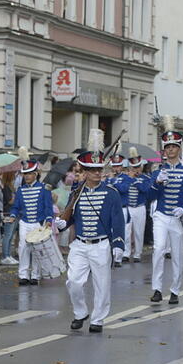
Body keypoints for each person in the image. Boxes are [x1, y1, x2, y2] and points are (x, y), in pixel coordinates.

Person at [54, 140, 125, 333]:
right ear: (85, 171)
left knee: (102, 285)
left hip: (101, 244)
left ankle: (98, 319)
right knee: (73, 281)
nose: (97, 173)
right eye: (92, 170)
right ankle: (80, 312)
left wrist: (118, 243)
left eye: (99, 169)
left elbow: (118, 220)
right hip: (79, 244)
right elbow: (70, 215)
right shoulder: (76, 192)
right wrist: (62, 224)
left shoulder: (111, 194)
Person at [148, 117, 183, 305]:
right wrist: (157, 183)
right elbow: (149, 196)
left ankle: (175, 289)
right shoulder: (157, 171)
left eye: (173, 146)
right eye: (167, 147)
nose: (170, 150)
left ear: (179, 148)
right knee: (159, 249)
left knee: (177, 254)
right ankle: (157, 289)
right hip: (161, 215)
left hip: (178, 217)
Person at [7, 148, 53, 286]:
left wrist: (49, 220)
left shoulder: (44, 188)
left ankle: (35, 275)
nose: (26, 176)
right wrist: (13, 215)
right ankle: (23, 275)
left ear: (36, 174)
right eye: (25, 174)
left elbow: (48, 207)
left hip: (38, 223)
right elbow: (16, 206)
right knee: (23, 248)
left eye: (29, 174)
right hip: (25, 222)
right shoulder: (20, 190)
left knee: (37, 250)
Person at [104, 153, 133, 268]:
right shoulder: (107, 179)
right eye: (114, 166)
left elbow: (124, 189)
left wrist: (114, 181)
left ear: (121, 166)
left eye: (118, 166)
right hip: (110, 209)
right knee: (111, 232)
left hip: (123, 208)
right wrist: (109, 180)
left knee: (123, 232)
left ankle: (121, 256)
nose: (116, 168)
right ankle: (112, 255)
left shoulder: (126, 178)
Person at [124, 149, 150, 264]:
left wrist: (135, 181)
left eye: (138, 167)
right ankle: (126, 253)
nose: (136, 170)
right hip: (128, 207)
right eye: (134, 167)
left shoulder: (145, 178)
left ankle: (137, 253)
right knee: (126, 232)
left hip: (140, 207)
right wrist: (130, 179)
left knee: (139, 232)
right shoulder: (126, 178)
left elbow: (145, 190)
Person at [0, 171, 18, 264]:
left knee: (11, 236)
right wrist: (16, 197)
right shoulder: (6, 188)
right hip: (8, 213)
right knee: (7, 235)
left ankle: (8, 254)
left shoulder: (11, 187)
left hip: (13, 212)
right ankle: (5, 255)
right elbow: (9, 201)